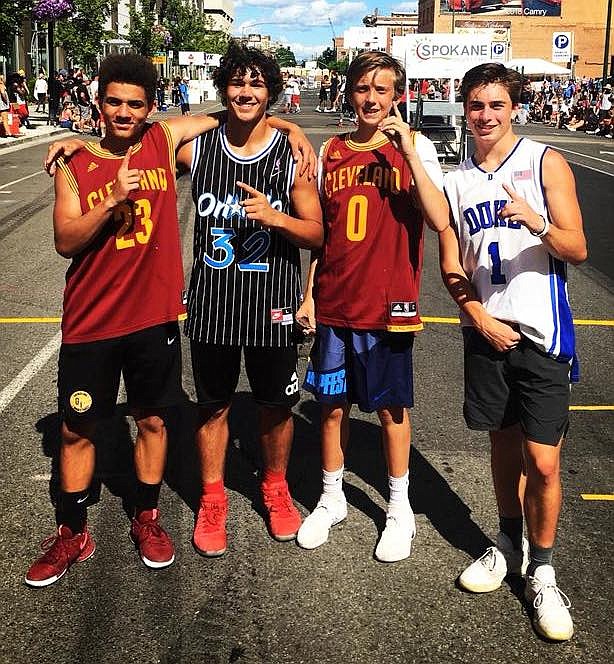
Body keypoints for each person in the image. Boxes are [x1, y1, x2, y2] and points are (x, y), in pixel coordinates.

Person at [26, 52, 314, 587]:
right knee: (76, 428)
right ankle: (72, 530)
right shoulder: (72, 163)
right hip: (91, 320)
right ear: (97, 101)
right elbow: (65, 241)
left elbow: (235, 112)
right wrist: (110, 200)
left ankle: (148, 517)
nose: (123, 112)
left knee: (154, 421)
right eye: (113, 101)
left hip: (154, 319)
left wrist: (289, 123)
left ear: (151, 108)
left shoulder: (161, 141)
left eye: (135, 103)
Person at [439, 62, 587, 641]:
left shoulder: (544, 162)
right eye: (476, 105)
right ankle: (507, 541)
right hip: (487, 335)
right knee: (502, 449)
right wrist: (475, 315)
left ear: (514, 108)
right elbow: (452, 266)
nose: (486, 115)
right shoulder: (457, 181)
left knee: (544, 461)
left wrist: (538, 222)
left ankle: (544, 570)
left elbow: (576, 247)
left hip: (542, 335)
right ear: (465, 110)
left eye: (496, 105)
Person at [294, 51, 449, 563]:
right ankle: (332, 496)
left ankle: (399, 507)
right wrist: (309, 292)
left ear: (397, 95)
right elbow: (323, 235)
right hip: (336, 301)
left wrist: (407, 150)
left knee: (389, 409)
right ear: (349, 91)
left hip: (389, 306)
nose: (372, 99)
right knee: (330, 407)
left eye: (382, 90)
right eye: (363, 88)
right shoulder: (333, 149)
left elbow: (438, 217)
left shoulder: (416, 145)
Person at [176, 41, 323, 558]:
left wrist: (277, 218)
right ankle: (213, 497)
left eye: (256, 83)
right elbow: (145, 134)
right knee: (212, 407)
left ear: (272, 92)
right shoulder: (198, 149)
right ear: (223, 88)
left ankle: (275, 486)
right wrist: (75, 149)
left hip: (274, 305)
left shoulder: (292, 158)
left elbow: (318, 234)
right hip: (213, 304)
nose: (245, 92)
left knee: (276, 407)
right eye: (236, 82)